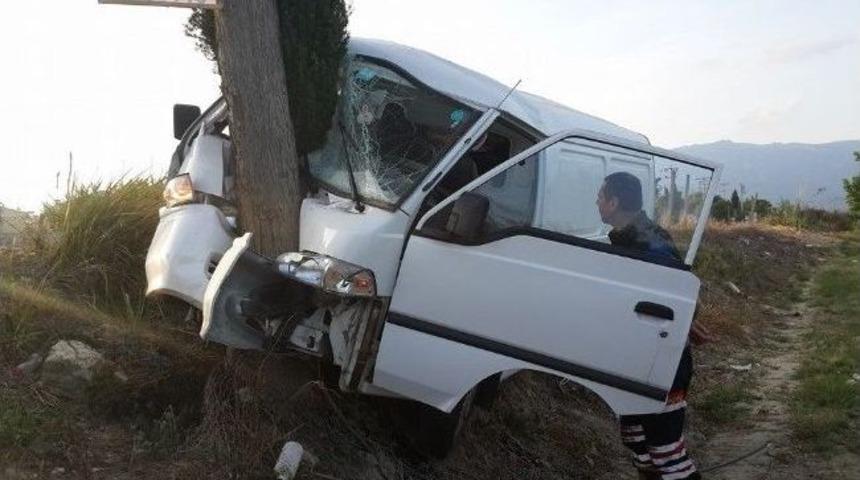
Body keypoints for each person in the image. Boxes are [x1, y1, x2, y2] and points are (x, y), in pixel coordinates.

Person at [596, 171, 706, 480]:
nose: (597, 202)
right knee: (636, 442)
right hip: (637, 359)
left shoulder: (650, 243)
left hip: (663, 362)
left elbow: (682, 297)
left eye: (600, 196)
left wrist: (686, 322)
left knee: (665, 451)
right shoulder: (628, 239)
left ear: (614, 202)